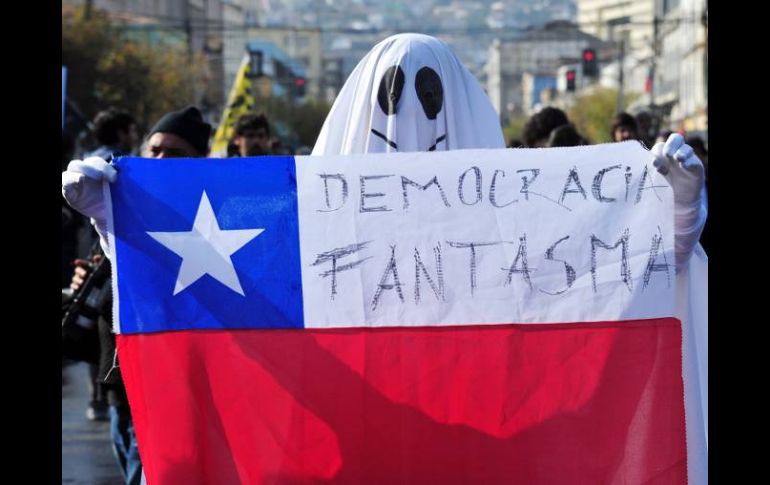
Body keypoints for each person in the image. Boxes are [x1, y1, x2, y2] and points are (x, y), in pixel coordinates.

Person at [63, 106, 212, 485]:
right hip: (120, 372)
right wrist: (91, 270)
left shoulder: (215, 214)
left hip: (176, 380)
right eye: (155, 149)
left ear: (199, 162)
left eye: (174, 153)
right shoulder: (123, 202)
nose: (160, 160)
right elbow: (112, 263)